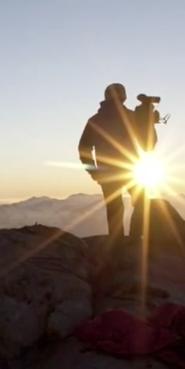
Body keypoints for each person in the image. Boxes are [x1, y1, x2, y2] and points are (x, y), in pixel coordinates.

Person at [78, 83, 144, 247]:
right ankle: (135, 240)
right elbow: (147, 144)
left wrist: (94, 172)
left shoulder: (95, 120)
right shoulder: (132, 117)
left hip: (108, 173)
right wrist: (148, 121)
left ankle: (118, 245)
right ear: (124, 97)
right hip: (131, 169)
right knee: (142, 203)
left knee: (114, 209)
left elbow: (83, 148)